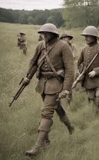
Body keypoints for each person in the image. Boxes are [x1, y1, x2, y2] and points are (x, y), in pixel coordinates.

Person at [23, 23, 75, 156]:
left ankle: (37, 147)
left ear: (54, 34)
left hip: (56, 83)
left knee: (46, 113)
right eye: (42, 33)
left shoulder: (63, 46)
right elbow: (34, 62)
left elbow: (70, 69)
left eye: (46, 33)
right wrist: (27, 77)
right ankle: (70, 127)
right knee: (57, 108)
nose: (44, 35)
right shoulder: (40, 45)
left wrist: (66, 89)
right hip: (42, 83)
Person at [77, 26, 99, 113]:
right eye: (85, 36)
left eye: (88, 36)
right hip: (88, 80)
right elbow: (78, 63)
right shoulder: (84, 49)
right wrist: (81, 72)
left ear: (94, 37)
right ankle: (96, 115)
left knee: (98, 99)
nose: (86, 38)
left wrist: (95, 71)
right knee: (91, 99)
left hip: (98, 80)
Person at [60, 33, 78, 103]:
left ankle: (69, 100)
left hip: (70, 68)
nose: (68, 40)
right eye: (67, 38)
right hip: (61, 68)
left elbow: (74, 56)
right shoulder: (59, 47)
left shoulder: (73, 47)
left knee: (69, 84)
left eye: (68, 38)